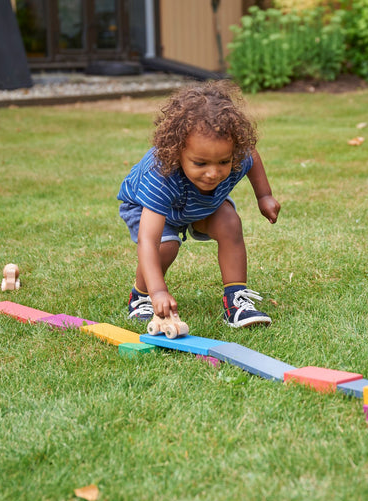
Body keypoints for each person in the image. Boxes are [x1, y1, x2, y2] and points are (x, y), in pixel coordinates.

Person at [117, 81, 280, 328]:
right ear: (177, 151)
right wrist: (159, 291)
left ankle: (235, 301)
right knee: (166, 245)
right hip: (145, 205)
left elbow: (252, 155)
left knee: (229, 222)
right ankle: (142, 296)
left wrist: (264, 195)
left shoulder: (235, 154)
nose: (213, 173)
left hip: (198, 203)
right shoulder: (161, 175)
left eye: (223, 162)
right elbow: (148, 241)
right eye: (201, 163)